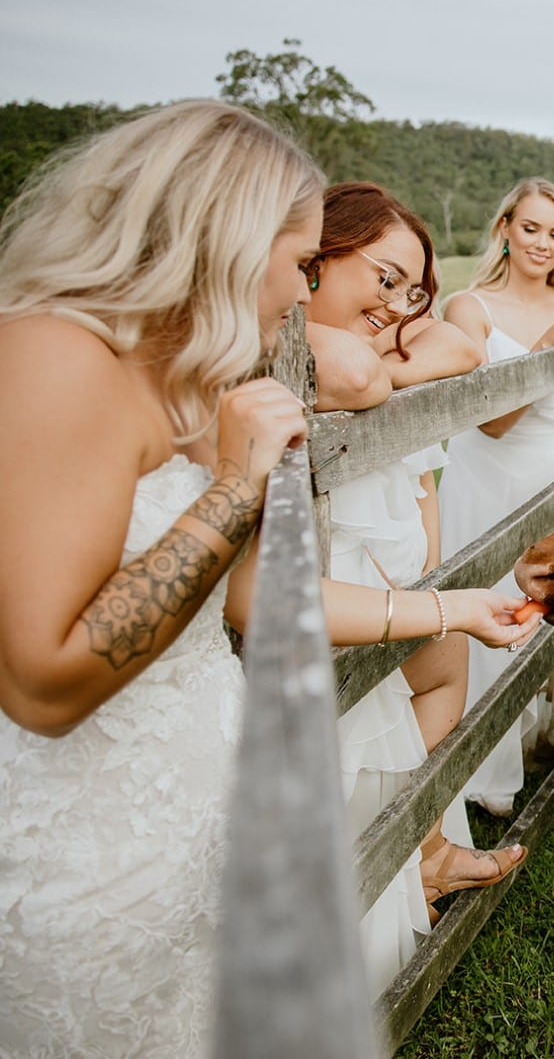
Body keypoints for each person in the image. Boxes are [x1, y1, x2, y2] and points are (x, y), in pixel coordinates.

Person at [0, 100, 324, 1056]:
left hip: (186, 840)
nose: (305, 295)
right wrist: (235, 486)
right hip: (85, 866)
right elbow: (41, 683)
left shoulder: (186, 378)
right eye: (301, 263)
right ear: (231, 238)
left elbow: (234, 598)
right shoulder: (55, 358)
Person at [225, 181, 528, 995]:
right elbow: (357, 371)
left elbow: (460, 353)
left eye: (412, 290)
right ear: (315, 259)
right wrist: (394, 357)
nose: (398, 305)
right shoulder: (265, 341)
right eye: (384, 277)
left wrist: (400, 344)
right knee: (361, 750)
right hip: (294, 623)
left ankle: (416, 856)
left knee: (431, 692)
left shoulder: (349, 339)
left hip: (372, 593)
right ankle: (396, 876)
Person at [439, 178, 554, 816]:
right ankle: (490, 770)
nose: (542, 243)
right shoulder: (469, 308)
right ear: (504, 227)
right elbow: (491, 421)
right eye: (530, 228)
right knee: (495, 616)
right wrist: (542, 348)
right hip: (489, 482)